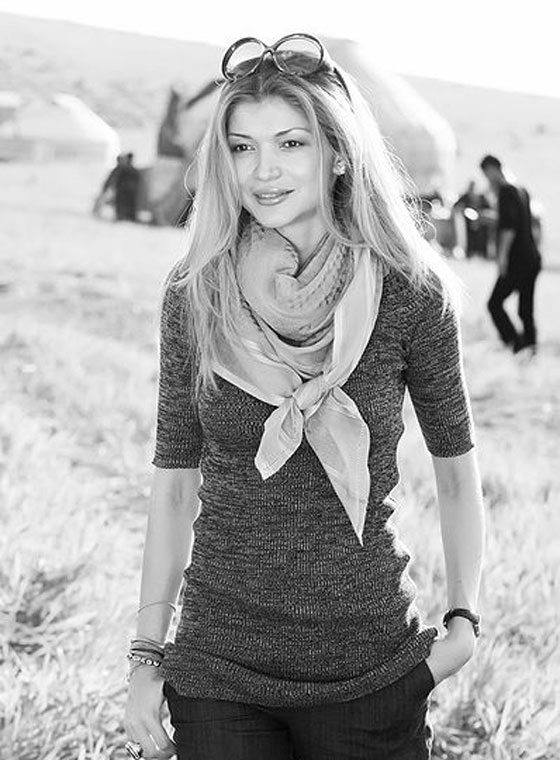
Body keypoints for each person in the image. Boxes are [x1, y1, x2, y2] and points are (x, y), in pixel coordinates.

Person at [124, 33, 485, 760]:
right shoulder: (196, 292)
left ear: (339, 153)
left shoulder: (410, 292)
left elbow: (455, 472)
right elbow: (174, 486)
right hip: (220, 667)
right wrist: (145, 655)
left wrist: (463, 627)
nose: (264, 171)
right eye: (243, 147)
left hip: (370, 671)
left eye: (291, 143)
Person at [479, 154, 542, 353]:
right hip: (532, 257)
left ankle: (515, 344)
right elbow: (517, 220)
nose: (487, 179)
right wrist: (494, 220)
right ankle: (530, 347)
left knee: (494, 304)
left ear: (492, 169)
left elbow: (509, 228)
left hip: (517, 259)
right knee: (525, 309)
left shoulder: (505, 191)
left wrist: (502, 257)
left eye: (486, 174)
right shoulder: (521, 189)